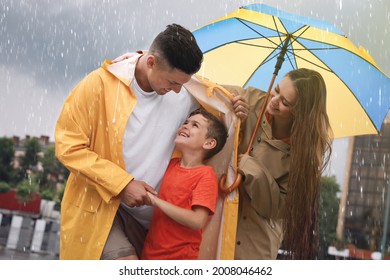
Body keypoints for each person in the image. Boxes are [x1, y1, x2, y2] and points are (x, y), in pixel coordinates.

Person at [55, 23, 249, 260]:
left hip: (158, 226)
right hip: (102, 207)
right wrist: (122, 184)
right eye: (172, 83)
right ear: (150, 62)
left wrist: (235, 106)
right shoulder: (99, 86)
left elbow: (218, 114)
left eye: (183, 83)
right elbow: (69, 146)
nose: (178, 91)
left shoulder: (187, 91)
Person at [223, 68, 333, 260]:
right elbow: (208, 94)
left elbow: (278, 208)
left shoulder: (304, 156)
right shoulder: (251, 98)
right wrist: (229, 106)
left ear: (300, 112)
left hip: (255, 241)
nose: (273, 100)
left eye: (285, 102)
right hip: (219, 223)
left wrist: (253, 170)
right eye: (276, 90)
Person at [140, 108, 228, 260]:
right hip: (149, 254)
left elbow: (197, 221)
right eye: (186, 122)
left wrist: (155, 201)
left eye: (195, 125)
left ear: (209, 143)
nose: (185, 125)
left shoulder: (206, 175)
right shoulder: (171, 164)